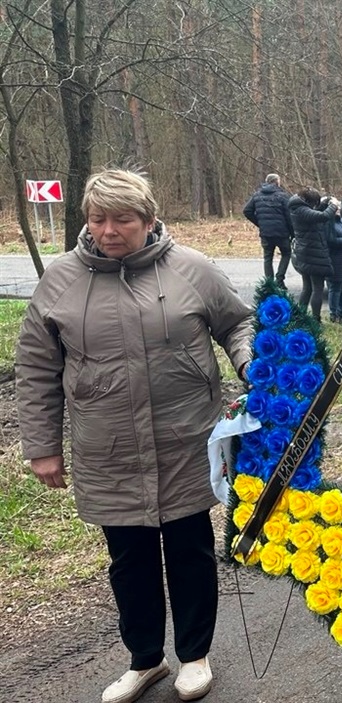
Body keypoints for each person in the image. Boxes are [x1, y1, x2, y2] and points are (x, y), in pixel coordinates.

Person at [16, 168, 252, 703]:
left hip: (187, 441)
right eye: (98, 219)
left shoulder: (191, 269)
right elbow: (35, 368)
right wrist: (43, 447)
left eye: (122, 219)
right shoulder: (60, 281)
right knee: (129, 562)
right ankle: (145, 660)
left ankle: (194, 656)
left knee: (191, 552)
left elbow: (239, 323)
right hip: (109, 451)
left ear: (148, 219)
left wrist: (249, 361)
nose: (108, 230)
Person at [289, 188, 337, 322]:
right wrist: (333, 206)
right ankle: (316, 319)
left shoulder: (298, 207)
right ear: (309, 202)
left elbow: (315, 212)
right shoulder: (301, 210)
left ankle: (300, 315)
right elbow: (322, 216)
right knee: (317, 288)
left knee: (308, 287)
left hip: (305, 252)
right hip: (312, 253)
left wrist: (325, 202)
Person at [242, 173, 294, 288]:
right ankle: (280, 279)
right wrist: (293, 233)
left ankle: (269, 283)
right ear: (277, 182)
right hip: (282, 232)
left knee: (268, 257)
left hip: (266, 233)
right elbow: (289, 216)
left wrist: (260, 223)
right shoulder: (283, 196)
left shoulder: (257, 195)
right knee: (286, 253)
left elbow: (247, 211)